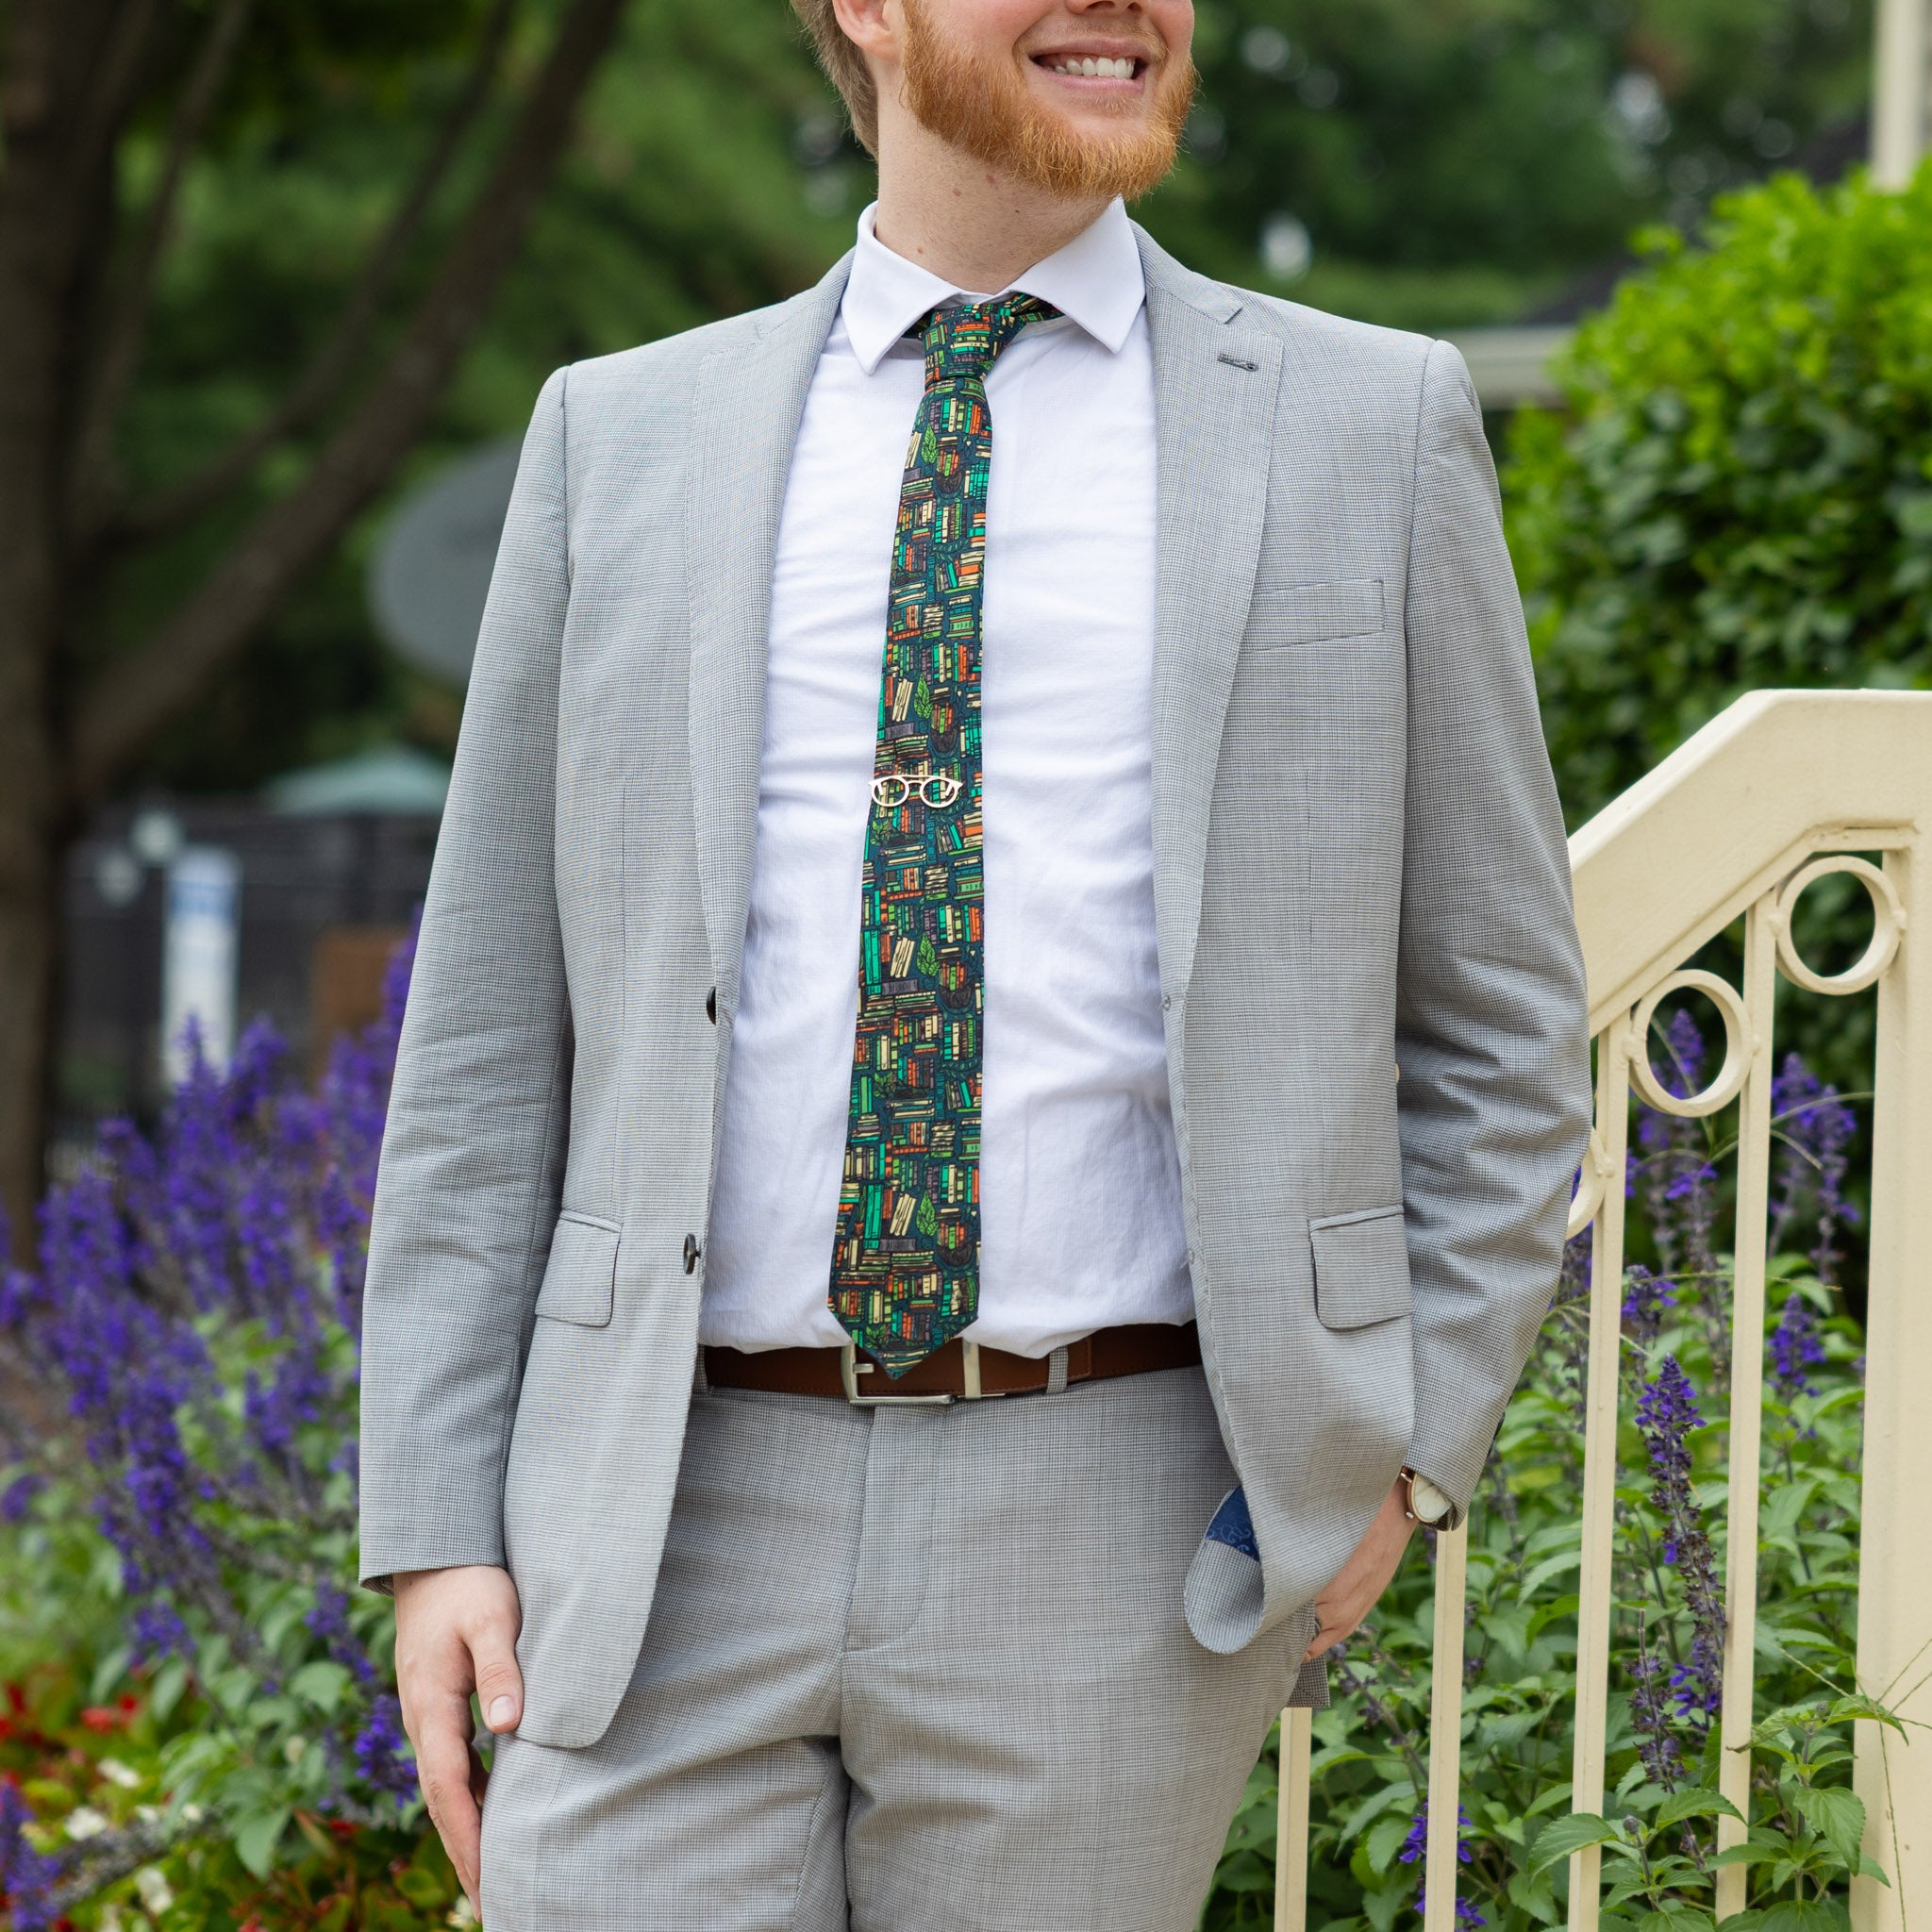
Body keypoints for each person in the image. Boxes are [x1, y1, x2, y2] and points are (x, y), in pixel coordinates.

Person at [356, 0, 1593, 1924]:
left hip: (1111, 1519)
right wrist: (436, 1525)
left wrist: (1406, 1449)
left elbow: (1500, 1018)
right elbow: (487, 1041)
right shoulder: (621, 438)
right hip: (654, 1514)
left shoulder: (1368, 425)